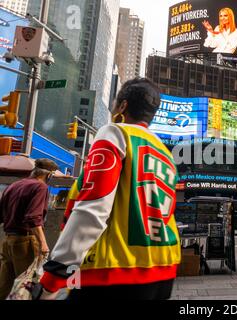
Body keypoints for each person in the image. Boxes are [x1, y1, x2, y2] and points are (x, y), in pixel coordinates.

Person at [36, 78, 181, 300]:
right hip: (163, 269)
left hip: (112, 273)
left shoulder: (115, 134)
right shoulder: (165, 153)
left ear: (122, 106)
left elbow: (94, 206)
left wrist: (56, 272)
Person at [0, 158, 58, 300]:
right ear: (48, 175)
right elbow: (34, 218)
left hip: (7, 240)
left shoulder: (14, 185)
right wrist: (43, 244)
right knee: (27, 285)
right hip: (26, 241)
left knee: (4, 285)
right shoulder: (40, 187)